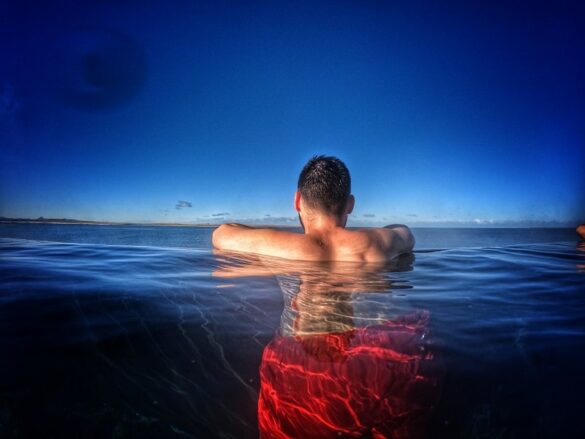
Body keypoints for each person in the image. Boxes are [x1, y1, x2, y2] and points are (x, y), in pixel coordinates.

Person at [212, 155, 414, 261]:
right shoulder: (379, 244)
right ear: (350, 204)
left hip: (300, 340)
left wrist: (269, 234)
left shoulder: (279, 247)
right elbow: (405, 233)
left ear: (297, 201)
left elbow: (220, 235)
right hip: (359, 339)